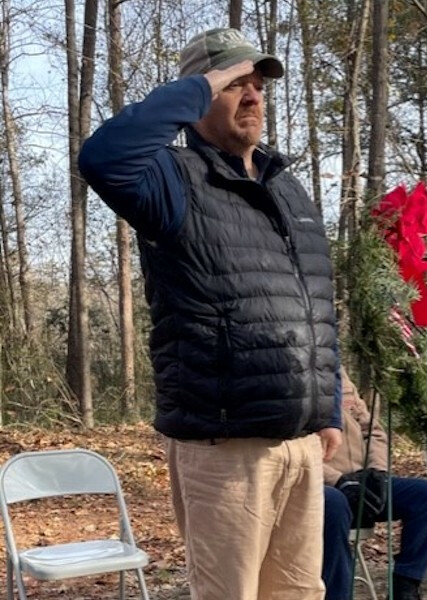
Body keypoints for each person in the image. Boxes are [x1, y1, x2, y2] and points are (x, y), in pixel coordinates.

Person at [79, 28, 341, 600]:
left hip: (299, 444)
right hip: (225, 447)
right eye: (235, 84)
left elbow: (315, 306)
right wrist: (202, 83)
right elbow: (101, 157)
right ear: (200, 94)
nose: (252, 96)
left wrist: (330, 409)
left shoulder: (289, 189)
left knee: (301, 593)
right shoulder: (171, 179)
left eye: (258, 86)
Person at [322, 369, 427, 600]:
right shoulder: (291, 378)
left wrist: (378, 472)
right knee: (334, 504)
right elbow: (292, 449)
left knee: (426, 494)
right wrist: (338, 479)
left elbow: (372, 430)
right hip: (323, 484)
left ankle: (406, 586)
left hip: (362, 478)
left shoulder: (340, 375)